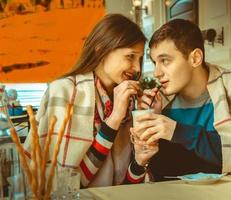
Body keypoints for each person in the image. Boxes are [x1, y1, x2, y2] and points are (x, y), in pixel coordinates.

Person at [125, 18, 231, 183]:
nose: (156, 72)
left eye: (165, 61)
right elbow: (158, 174)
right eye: (155, 62)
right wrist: (150, 131)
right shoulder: (159, 103)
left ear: (195, 58)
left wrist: (177, 131)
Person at [23, 14, 146, 187]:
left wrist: (141, 159)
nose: (137, 68)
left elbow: (126, 187)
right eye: (130, 56)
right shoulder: (65, 92)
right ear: (101, 48)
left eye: (140, 59)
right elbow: (65, 186)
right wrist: (113, 120)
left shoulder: (130, 101)